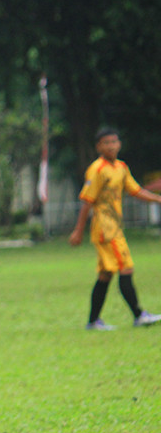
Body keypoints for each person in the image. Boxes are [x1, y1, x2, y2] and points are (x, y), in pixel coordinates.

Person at [69, 127, 161, 330]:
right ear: (99, 146)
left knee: (105, 275)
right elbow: (86, 201)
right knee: (126, 267)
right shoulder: (97, 169)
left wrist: (157, 198)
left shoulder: (121, 167)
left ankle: (93, 322)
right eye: (106, 142)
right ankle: (139, 315)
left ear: (119, 144)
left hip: (115, 226)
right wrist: (78, 231)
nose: (111, 146)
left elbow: (135, 190)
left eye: (114, 141)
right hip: (105, 228)